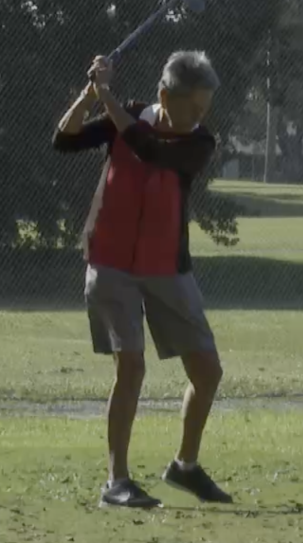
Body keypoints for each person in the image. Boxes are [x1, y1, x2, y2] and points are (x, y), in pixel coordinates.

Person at [52, 52, 233, 509]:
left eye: (205, 107)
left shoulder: (200, 142)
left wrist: (107, 96)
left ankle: (184, 467)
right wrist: (92, 93)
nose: (200, 116)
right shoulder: (126, 115)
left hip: (167, 266)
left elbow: (148, 150)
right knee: (131, 366)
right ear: (164, 96)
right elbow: (65, 139)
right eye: (194, 106)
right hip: (111, 260)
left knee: (208, 371)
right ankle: (117, 481)